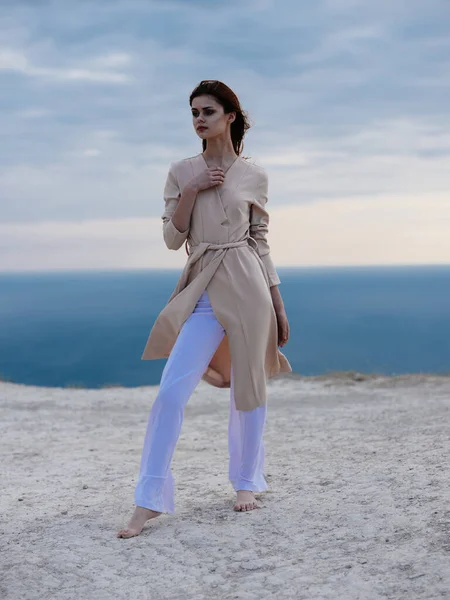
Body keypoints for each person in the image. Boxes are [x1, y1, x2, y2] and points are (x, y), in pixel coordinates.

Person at [117, 80, 291, 538]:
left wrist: (277, 299)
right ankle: (149, 499)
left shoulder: (255, 174)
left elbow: (259, 239)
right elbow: (173, 239)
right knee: (170, 393)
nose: (199, 119)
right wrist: (192, 189)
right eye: (193, 112)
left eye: (208, 111)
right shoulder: (181, 170)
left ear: (230, 116)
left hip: (249, 284)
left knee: (248, 388)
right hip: (202, 284)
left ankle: (246, 483)